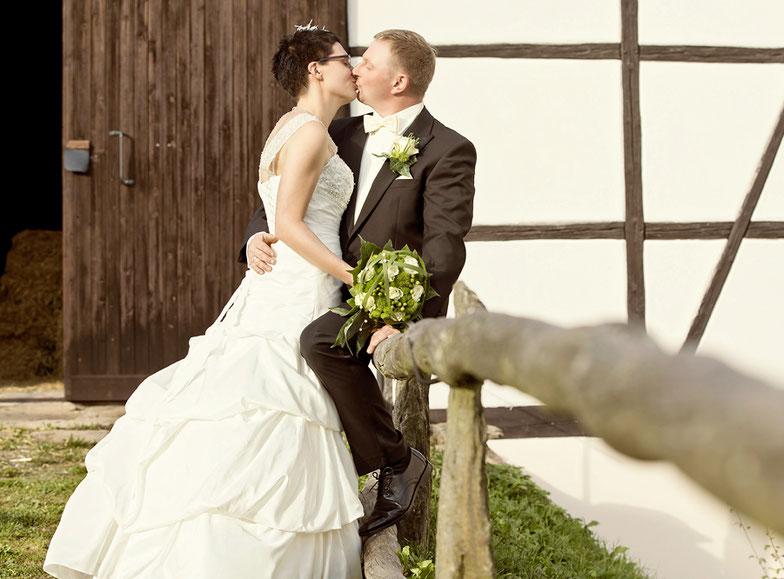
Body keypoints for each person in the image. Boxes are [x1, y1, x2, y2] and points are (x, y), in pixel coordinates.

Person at [44, 25, 366, 578]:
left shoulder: (291, 127)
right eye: (344, 60)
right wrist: (353, 277)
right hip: (303, 283)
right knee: (274, 402)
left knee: (263, 401)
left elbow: (277, 217)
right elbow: (289, 223)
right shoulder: (312, 133)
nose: (353, 68)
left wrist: (262, 238)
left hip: (288, 281)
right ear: (317, 70)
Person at [241, 29, 476, 536]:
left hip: (381, 297)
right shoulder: (337, 132)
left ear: (399, 81)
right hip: (318, 279)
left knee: (318, 343)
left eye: (366, 62)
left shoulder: (449, 149)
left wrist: (404, 319)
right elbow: (285, 195)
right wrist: (255, 235)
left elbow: (444, 245)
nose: (355, 69)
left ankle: (395, 464)